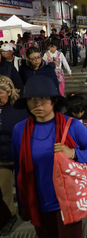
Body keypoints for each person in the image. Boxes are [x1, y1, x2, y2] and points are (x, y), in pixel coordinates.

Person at [12, 75, 87, 238]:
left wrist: (73, 153)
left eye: (43, 98)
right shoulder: (20, 130)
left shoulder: (72, 125)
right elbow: (19, 168)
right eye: (31, 98)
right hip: (38, 203)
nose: (37, 103)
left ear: (54, 100)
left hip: (69, 203)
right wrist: (22, 202)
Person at [0, 76, 28, 236]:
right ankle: (9, 216)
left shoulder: (20, 110)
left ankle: (28, 211)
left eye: (1, 93)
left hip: (19, 157)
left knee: (24, 189)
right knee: (3, 192)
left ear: (10, 93)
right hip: (1, 160)